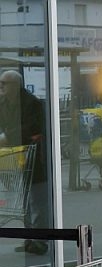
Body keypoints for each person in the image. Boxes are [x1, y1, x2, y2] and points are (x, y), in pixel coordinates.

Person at [0, 70, 48, 255]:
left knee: (38, 203)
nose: (1, 86)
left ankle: (41, 241)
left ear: (16, 85)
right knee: (24, 204)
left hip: (34, 160)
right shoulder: (4, 103)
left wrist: (7, 136)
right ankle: (30, 239)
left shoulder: (32, 103)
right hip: (15, 159)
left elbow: (34, 127)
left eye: (5, 83)